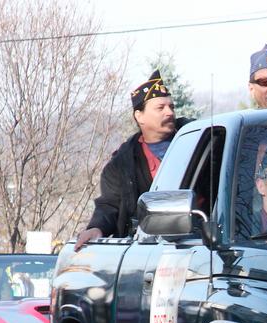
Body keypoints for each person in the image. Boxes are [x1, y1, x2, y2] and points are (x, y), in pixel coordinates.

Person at [75, 70, 192, 250]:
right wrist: (96, 228)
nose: (169, 112)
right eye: (160, 108)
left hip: (196, 243)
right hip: (145, 249)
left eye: (171, 107)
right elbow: (109, 205)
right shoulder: (121, 165)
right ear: (139, 116)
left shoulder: (196, 141)